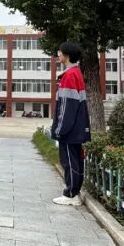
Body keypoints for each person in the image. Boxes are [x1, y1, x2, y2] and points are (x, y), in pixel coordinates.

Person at [51, 42, 91, 206]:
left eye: (60, 52)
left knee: (69, 161)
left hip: (70, 129)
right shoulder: (75, 73)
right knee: (75, 160)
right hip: (77, 127)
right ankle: (73, 192)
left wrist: (60, 129)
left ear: (67, 55)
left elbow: (67, 107)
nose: (58, 54)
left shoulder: (69, 76)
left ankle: (71, 194)